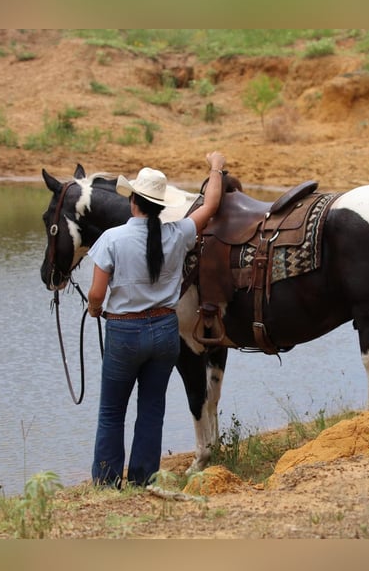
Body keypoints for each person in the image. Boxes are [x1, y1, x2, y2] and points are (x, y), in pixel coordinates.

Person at [85, 151, 226, 488]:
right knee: (151, 410)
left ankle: (106, 482)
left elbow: (95, 294)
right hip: (165, 332)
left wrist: (94, 310)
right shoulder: (178, 234)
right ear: (159, 205)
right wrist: (216, 168)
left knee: (112, 411)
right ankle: (142, 478)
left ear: (133, 201)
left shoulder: (111, 239)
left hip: (123, 333)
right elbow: (211, 205)